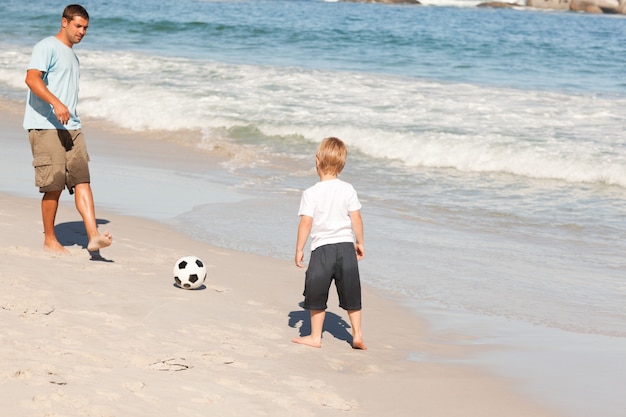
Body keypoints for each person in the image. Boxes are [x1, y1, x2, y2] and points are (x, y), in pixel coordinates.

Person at [23, 4, 112, 254]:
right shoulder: (46, 47)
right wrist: (56, 103)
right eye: (78, 26)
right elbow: (31, 78)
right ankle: (50, 239)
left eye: (85, 28)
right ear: (64, 22)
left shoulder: (73, 55)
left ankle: (93, 236)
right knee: (54, 185)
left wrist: (68, 111)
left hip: (72, 127)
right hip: (45, 125)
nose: (82, 32)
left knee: (82, 180)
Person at [293, 137, 366, 350]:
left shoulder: (311, 193)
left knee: (316, 293)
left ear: (317, 161)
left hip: (322, 250)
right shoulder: (348, 189)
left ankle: (315, 337)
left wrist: (299, 249)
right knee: (352, 294)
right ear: (342, 164)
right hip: (345, 247)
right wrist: (360, 242)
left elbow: (306, 222)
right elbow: (357, 218)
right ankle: (358, 334)